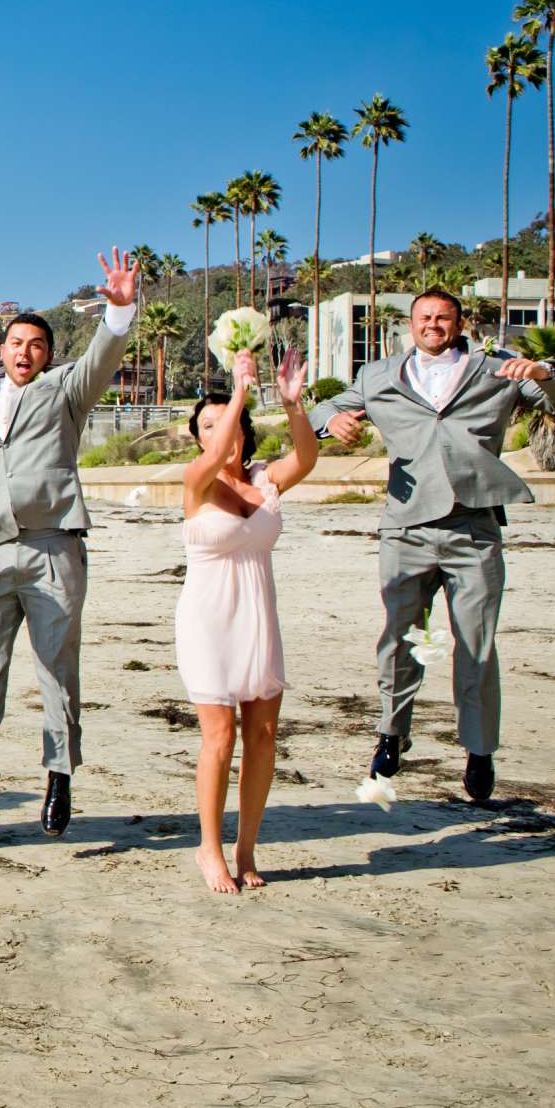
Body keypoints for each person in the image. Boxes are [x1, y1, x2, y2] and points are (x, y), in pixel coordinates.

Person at [308, 286, 555, 803]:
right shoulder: (378, 376)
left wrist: (545, 371)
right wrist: (332, 421)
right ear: (409, 325)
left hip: (474, 526)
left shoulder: (497, 369)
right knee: (399, 636)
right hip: (405, 528)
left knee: (476, 645)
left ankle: (479, 752)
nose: (433, 324)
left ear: (459, 324)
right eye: (424, 317)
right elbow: (318, 411)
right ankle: (391, 734)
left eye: (443, 317)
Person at [0, 248, 141, 837]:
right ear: (1, 348)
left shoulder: (64, 392)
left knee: (56, 668)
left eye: (36, 345)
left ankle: (59, 775)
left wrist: (119, 314)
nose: (24, 352)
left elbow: (101, 360)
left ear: (48, 355)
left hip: (54, 546)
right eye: (16, 343)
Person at [177, 347, 319, 893]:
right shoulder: (197, 480)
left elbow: (306, 458)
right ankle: (208, 850)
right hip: (209, 620)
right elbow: (213, 456)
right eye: (208, 426)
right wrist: (237, 392)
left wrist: (291, 404)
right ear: (199, 438)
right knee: (219, 738)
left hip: (258, 615)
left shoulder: (264, 478)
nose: (221, 432)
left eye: (229, 423)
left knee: (262, 736)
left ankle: (246, 848)